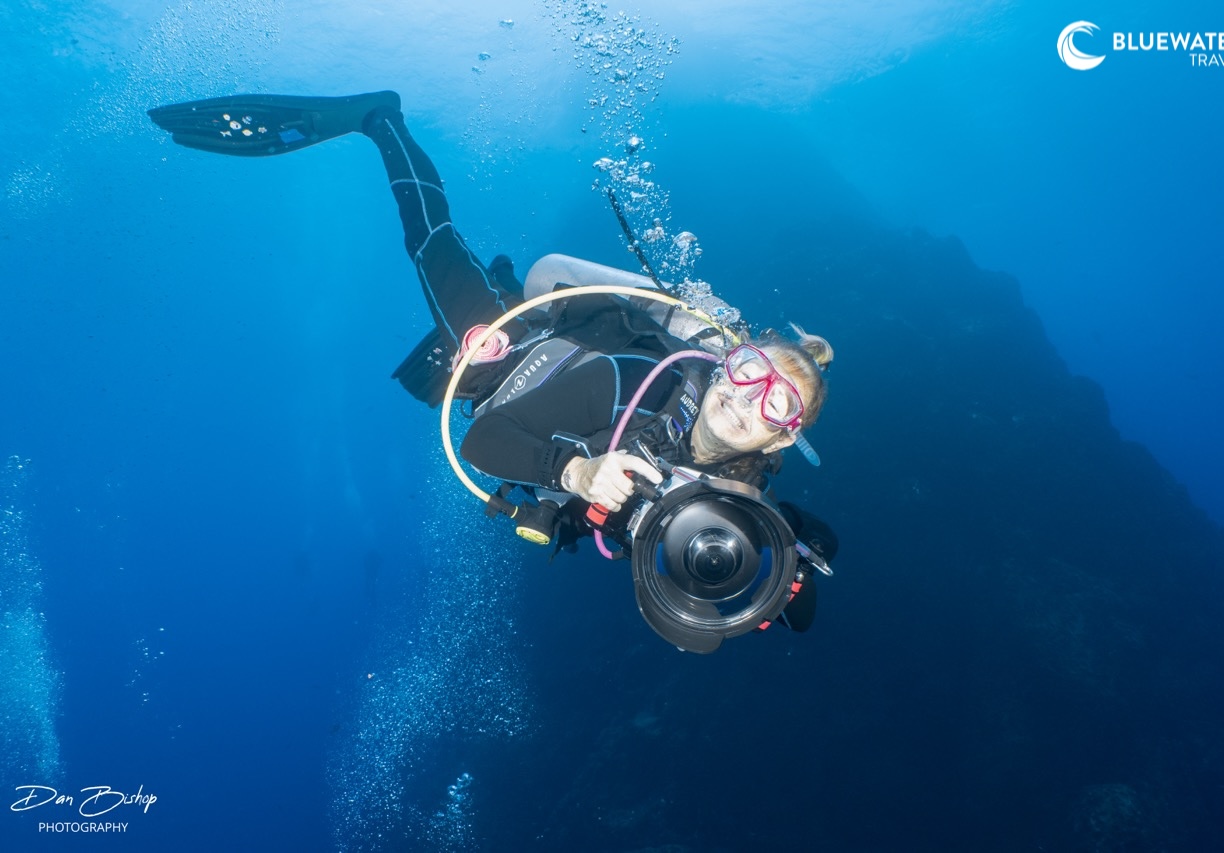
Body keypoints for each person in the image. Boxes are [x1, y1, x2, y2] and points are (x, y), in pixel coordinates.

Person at [148, 91, 837, 644]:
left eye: (778, 407)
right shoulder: (639, 382)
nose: (750, 400)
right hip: (510, 356)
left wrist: (785, 574)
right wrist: (576, 472)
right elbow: (481, 444)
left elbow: (753, 610)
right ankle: (379, 120)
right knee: (436, 252)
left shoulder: (740, 499)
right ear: (722, 364)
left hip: (521, 404)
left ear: (782, 440)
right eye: (748, 370)